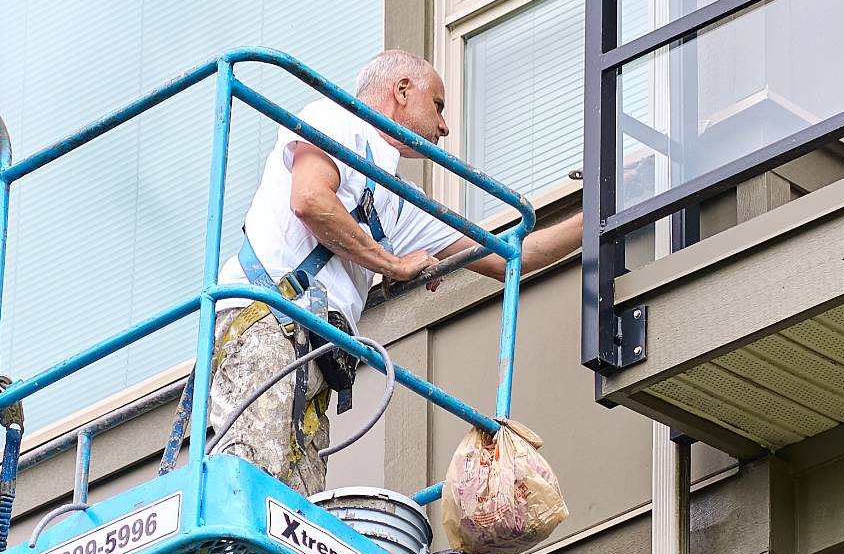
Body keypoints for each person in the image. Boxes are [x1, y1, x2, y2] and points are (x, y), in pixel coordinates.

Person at [210, 49, 582, 498]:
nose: (444, 126)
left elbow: (511, 258)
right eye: (438, 104)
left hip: (314, 354)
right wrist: (393, 264)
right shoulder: (334, 118)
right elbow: (309, 200)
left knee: (293, 508)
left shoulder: (398, 198)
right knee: (249, 480)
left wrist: (597, 213)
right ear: (402, 90)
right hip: (266, 317)